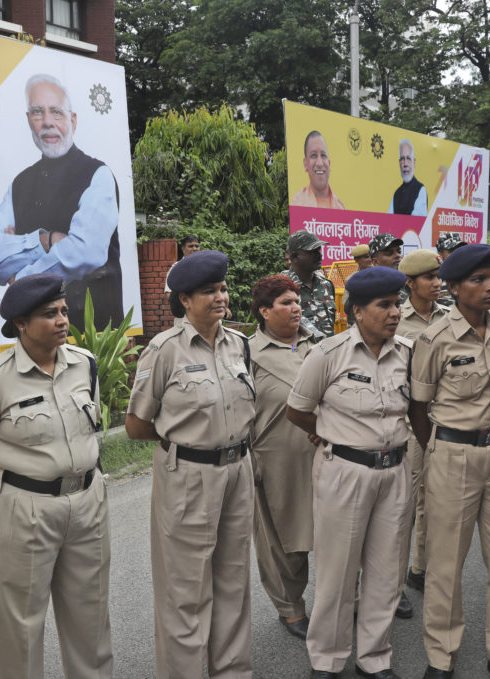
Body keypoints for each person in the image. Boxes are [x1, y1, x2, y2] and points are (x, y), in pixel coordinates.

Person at [0, 273, 112, 679]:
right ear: (20, 323)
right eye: (48, 314)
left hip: (86, 501)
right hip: (21, 508)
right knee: (17, 629)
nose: (61, 320)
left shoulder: (84, 365)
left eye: (63, 311)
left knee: (91, 619)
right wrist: (26, 479)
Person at [126, 250, 256, 679]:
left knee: (234, 580)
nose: (220, 297)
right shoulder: (164, 351)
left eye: (221, 289)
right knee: (186, 589)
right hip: (189, 475)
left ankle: (231, 671)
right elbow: (137, 424)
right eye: (208, 292)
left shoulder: (238, 344)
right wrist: (186, 446)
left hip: (238, 471)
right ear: (184, 299)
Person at [287, 266, 413, 679]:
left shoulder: (408, 353)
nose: (395, 312)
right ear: (358, 311)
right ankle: (327, 658)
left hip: (394, 471)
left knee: (387, 571)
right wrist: (328, 436)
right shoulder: (328, 353)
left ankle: (375, 658)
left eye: (398, 303)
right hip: (344, 472)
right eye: (385, 305)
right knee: (338, 572)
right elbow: (298, 409)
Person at [409, 244, 490, 679]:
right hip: (453, 453)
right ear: (454, 288)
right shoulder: (435, 338)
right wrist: (439, 450)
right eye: (477, 280)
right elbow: (418, 407)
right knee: (445, 563)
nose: (489, 287)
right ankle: (442, 657)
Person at [0, 73, 123, 331]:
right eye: (37, 112)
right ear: (28, 120)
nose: (47, 123)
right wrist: (44, 241)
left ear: (72, 120)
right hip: (30, 331)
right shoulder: (19, 184)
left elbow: (83, 253)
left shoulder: (97, 175)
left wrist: (18, 274)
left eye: (56, 112)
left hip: (91, 333)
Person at [248, 275, 318, 641]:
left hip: (325, 453)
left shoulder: (316, 344)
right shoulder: (246, 353)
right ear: (263, 311)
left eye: (297, 300)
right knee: (285, 539)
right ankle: (290, 608)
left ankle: (349, 598)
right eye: (285, 303)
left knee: (335, 530)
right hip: (275, 456)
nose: (296, 307)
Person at [396, 250, 448, 602]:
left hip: (444, 417)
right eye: (429, 278)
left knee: (435, 497)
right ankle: (392, 582)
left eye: (439, 276)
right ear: (411, 283)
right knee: (405, 501)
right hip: (408, 422)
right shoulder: (396, 320)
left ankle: (421, 568)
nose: (438, 283)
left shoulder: (450, 317)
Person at [282, 230, 337, 339]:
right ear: (295, 257)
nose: (319, 255)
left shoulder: (326, 285)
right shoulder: (282, 287)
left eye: (319, 250)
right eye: (312, 252)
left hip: (328, 352)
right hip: (298, 353)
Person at [291, 131, 346, 210]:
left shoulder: (340, 207)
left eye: (323, 155)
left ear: (329, 163)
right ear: (305, 164)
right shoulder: (297, 203)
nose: (320, 163)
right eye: (314, 155)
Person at [166, 235, 203, 328]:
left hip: (206, 318)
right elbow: (169, 294)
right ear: (183, 249)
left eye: (197, 246)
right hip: (184, 319)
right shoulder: (176, 268)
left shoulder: (206, 266)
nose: (194, 249)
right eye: (190, 246)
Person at [388, 139, 428, 217]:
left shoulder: (420, 190)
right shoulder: (396, 194)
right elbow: (388, 219)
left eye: (409, 158)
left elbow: (417, 222)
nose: (405, 164)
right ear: (399, 163)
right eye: (402, 159)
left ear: (414, 162)